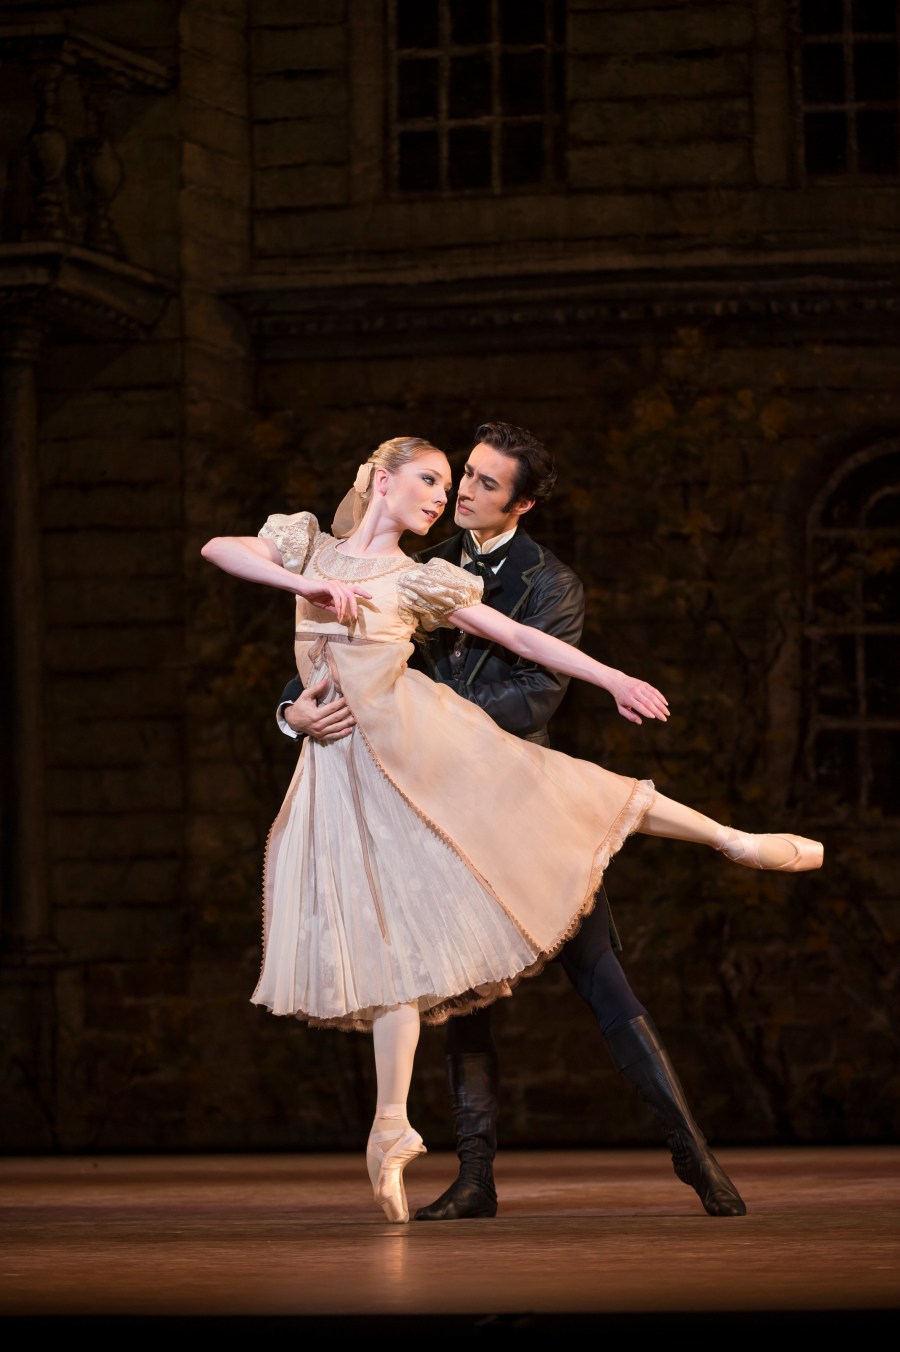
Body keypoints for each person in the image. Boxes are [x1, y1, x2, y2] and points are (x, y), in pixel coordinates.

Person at [200, 435, 823, 1226]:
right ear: (381, 480)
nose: (450, 494)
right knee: (417, 959)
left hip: (481, 771)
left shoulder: (491, 579)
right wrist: (295, 699)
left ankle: (695, 1150)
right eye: (442, 478)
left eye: (471, 482)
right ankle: (439, 1155)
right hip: (381, 780)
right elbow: (253, 584)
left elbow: (531, 657)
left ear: (519, 501)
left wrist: (609, 679)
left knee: (599, 961)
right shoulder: (338, 549)